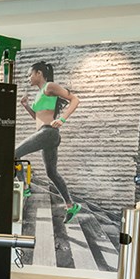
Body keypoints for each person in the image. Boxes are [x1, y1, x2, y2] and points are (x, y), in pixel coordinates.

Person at [15, 61, 82, 223]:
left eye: (30, 74)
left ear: (39, 73)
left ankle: (24, 187)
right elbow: (38, 118)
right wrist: (26, 106)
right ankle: (70, 205)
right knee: (51, 172)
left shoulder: (49, 86)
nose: (28, 78)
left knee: (13, 154)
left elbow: (75, 99)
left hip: (49, 132)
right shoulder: (40, 93)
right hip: (45, 133)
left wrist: (62, 119)